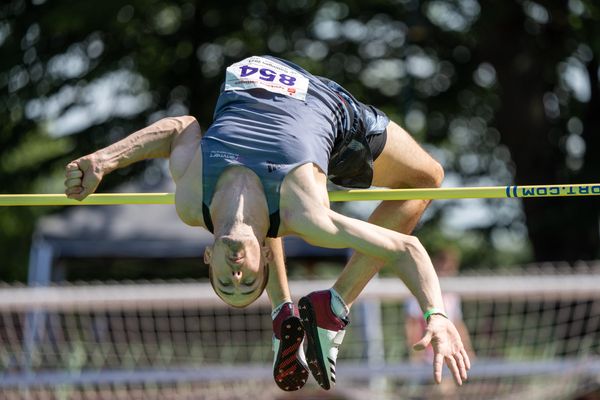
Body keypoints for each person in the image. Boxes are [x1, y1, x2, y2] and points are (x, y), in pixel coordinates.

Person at [64, 55, 470, 392]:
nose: (237, 273)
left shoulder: (191, 201)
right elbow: (407, 247)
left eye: (227, 281)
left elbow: (180, 127)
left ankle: (283, 311)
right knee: (427, 179)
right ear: (264, 261)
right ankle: (333, 307)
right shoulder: (307, 216)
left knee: (263, 219)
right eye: (246, 282)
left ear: (209, 257)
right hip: (330, 109)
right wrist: (437, 315)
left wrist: (104, 160)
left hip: (255, 75)